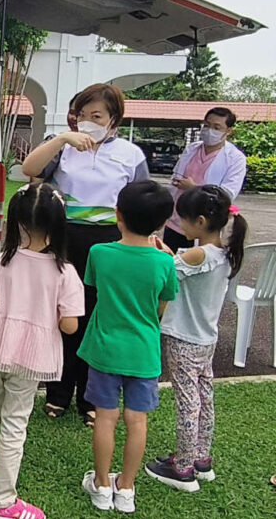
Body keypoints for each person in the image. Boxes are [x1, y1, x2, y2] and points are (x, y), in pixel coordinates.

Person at [21, 83, 149, 428]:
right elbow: (29, 169)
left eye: (97, 116)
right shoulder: (64, 148)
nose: (88, 122)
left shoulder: (130, 154)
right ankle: (57, 392)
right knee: (64, 315)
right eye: (82, 114)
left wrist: (149, 240)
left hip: (109, 244)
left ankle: (91, 398)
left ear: (114, 119)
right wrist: (63, 139)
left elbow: (142, 202)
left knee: (97, 319)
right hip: (65, 238)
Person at [0, 183, 84, 519]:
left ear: (18, 221)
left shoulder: (3, 260)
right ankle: (4, 502)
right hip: (31, 355)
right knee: (15, 423)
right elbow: (70, 326)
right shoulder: (65, 272)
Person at [79, 181, 178, 514]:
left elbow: (95, 287)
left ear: (117, 215)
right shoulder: (165, 263)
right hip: (144, 352)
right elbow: (161, 307)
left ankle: (101, 485)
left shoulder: (99, 253)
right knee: (137, 421)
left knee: (105, 418)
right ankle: (126, 489)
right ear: (162, 223)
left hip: (104, 349)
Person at [145, 185, 247, 492]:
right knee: (204, 397)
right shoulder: (224, 253)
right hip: (206, 339)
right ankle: (201, 459)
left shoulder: (198, 254)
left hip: (183, 339)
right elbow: (178, 264)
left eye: (183, 219)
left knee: (187, 402)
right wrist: (166, 253)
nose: (179, 224)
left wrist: (152, 251)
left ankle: (183, 468)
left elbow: (165, 272)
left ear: (200, 222)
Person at [163, 107, 248, 252]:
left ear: (229, 130)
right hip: (177, 221)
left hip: (204, 225)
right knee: (171, 260)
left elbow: (227, 194)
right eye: (207, 125)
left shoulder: (235, 158)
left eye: (216, 127)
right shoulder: (192, 149)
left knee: (198, 260)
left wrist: (194, 188)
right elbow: (176, 175)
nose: (209, 131)